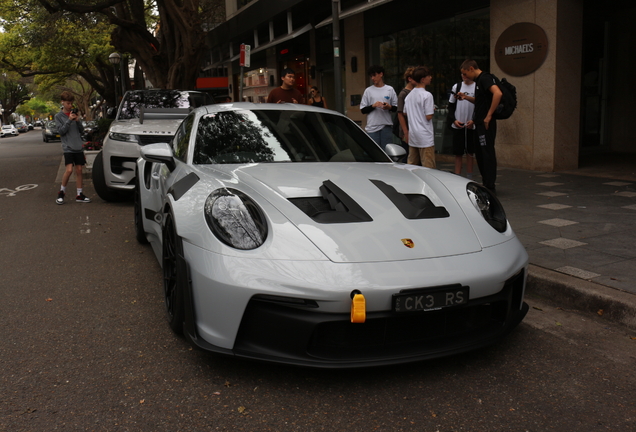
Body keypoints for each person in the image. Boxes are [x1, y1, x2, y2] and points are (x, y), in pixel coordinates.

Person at [459, 59, 502, 193]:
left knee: (486, 153)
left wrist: (489, 115)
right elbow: (481, 101)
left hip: (485, 123)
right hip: (479, 122)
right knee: (481, 153)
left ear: (471, 68)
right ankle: (486, 182)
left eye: (465, 74)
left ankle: (490, 185)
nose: (465, 77)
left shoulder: (484, 78)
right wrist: (466, 97)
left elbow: (498, 93)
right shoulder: (479, 82)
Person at [55, 91, 90, 204]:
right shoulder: (58, 116)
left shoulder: (74, 114)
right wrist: (69, 120)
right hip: (68, 147)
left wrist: (78, 121)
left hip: (78, 146)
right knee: (69, 170)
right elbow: (61, 131)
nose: (70, 106)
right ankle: (61, 193)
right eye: (68, 103)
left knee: (79, 170)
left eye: (71, 103)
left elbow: (81, 130)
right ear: (63, 102)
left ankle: (79, 194)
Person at [403, 66, 435, 168]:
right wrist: (432, 109)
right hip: (425, 136)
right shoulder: (427, 95)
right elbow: (428, 116)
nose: (430, 78)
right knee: (429, 167)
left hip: (413, 136)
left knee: (412, 166)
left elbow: (405, 112)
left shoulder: (409, 95)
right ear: (423, 79)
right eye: (429, 76)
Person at [360, 65, 398, 150]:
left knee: (387, 152)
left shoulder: (389, 89)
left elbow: (396, 108)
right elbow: (363, 110)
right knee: (374, 152)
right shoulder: (368, 91)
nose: (373, 78)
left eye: (374, 75)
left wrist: (389, 107)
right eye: (371, 76)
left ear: (381, 74)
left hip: (386, 125)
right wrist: (373, 106)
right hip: (372, 126)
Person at [448, 74, 476, 178]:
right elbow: (450, 106)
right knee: (458, 152)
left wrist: (474, 120)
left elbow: (480, 106)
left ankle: (469, 176)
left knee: (470, 152)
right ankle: (457, 175)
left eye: (466, 74)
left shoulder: (477, 87)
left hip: (471, 124)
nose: (464, 76)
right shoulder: (457, 86)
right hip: (458, 123)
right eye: (462, 74)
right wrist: (454, 120)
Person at [396, 67, 416, 160]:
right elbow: (400, 114)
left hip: (415, 129)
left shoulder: (416, 92)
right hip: (406, 130)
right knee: (407, 155)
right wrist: (405, 132)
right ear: (409, 79)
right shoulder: (403, 94)